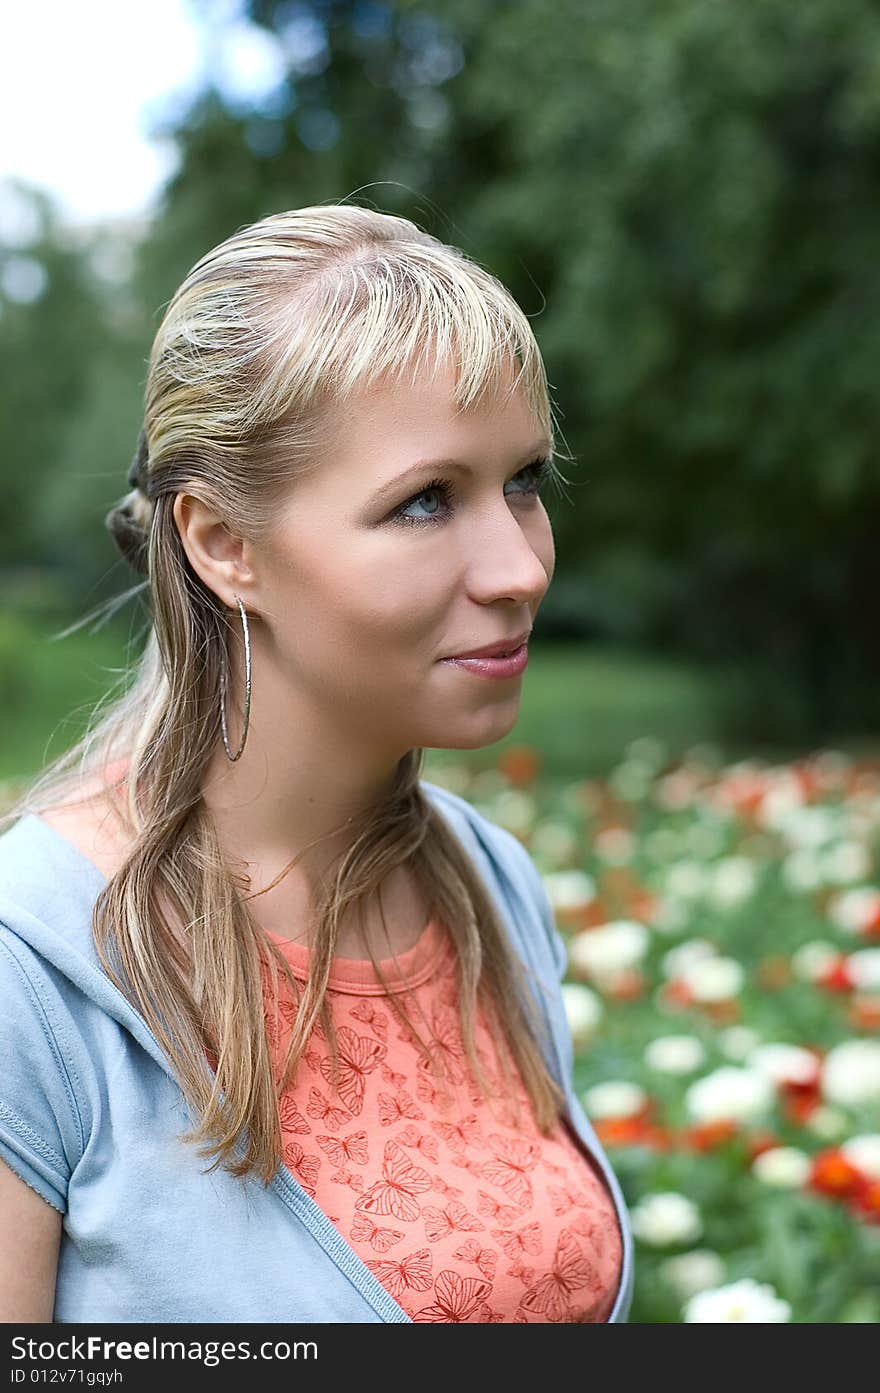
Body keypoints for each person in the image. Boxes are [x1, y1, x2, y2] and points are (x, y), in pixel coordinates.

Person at [0, 204, 633, 1324]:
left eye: (524, 481)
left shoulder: (492, 886)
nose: (520, 566)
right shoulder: (32, 973)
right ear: (222, 544)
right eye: (426, 500)